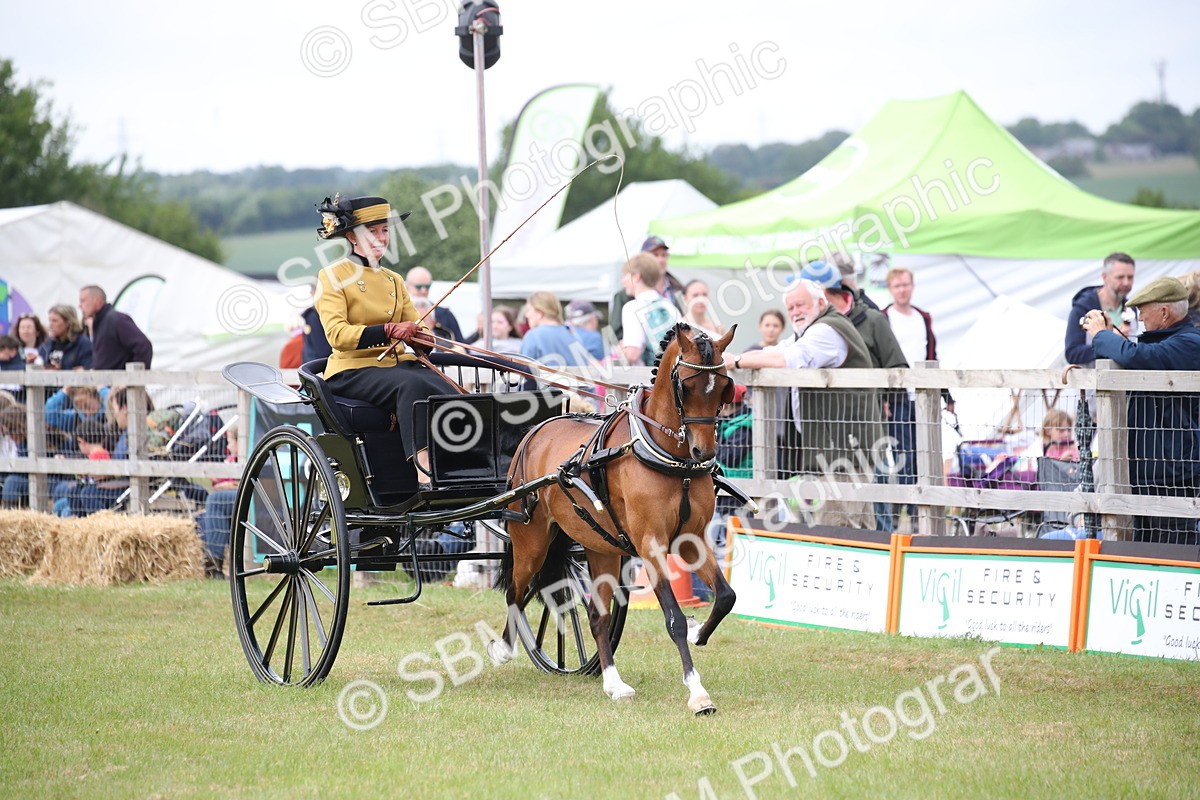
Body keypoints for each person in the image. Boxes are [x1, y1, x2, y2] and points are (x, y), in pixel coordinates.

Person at [313, 195, 449, 484]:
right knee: (412, 384)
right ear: (352, 237)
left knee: (443, 384)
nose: (380, 238)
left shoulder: (394, 280)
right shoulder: (333, 276)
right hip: (351, 370)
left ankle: (463, 460)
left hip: (395, 366)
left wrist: (422, 338)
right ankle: (424, 470)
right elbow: (337, 335)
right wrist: (387, 331)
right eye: (371, 232)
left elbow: (417, 326)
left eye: (384, 231)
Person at [725, 279, 881, 529]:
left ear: (821, 303)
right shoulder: (809, 331)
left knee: (836, 526)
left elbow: (790, 358)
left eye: (800, 304)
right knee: (860, 527)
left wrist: (738, 360)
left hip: (845, 448)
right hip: (838, 447)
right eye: (790, 308)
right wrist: (731, 359)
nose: (795, 311)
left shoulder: (826, 330)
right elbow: (774, 351)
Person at [1085, 276, 1200, 545]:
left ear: (1164, 311)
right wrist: (1111, 336)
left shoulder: (1190, 342)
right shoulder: (1168, 341)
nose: (1140, 318)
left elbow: (1138, 357)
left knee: (1172, 550)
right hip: (1151, 469)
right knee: (1144, 549)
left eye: (1143, 311)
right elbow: (1133, 354)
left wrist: (1102, 335)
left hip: (1173, 473)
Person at [882, 266, 956, 531]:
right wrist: (884, 397)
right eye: (897, 286)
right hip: (898, 395)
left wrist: (945, 392)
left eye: (906, 285)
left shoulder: (923, 317)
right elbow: (881, 359)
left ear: (912, 286)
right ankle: (899, 510)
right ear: (891, 289)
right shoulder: (884, 318)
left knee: (924, 451)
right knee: (903, 453)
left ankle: (917, 514)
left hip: (924, 396)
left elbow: (932, 353)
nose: (902, 290)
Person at [609, 235, 686, 339]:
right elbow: (616, 333)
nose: (661, 260)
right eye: (655, 255)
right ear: (643, 259)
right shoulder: (624, 295)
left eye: (664, 255)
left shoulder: (678, 290)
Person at [1066, 253, 1135, 367]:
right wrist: (1109, 343)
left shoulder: (1132, 308)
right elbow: (1072, 353)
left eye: (1130, 277)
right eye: (1120, 277)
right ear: (1104, 277)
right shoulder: (1082, 308)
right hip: (1091, 382)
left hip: (1125, 381)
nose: (1126, 283)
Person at [619, 253, 681, 365]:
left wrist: (620, 350)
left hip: (646, 378)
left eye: (626, 275)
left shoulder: (632, 307)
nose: (623, 280)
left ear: (636, 276)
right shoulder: (669, 305)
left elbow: (633, 354)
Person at [196, 425, 240, 578]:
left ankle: (213, 567)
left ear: (240, 443)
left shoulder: (249, 456)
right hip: (235, 498)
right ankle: (213, 566)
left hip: (254, 498)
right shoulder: (230, 460)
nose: (228, 447)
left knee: (215, 501)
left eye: (230, 442)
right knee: (205, 516)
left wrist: (229, 486)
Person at [79, 285, 154, 370]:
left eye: (83, 301)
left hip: (117, 381)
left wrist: (132, 379)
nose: (79, 305)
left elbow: (143, 346)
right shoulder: (99, 323)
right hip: (104, 381)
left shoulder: (116, 320)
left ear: (97, 301)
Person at [520, 291, 588, 368]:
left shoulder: (533, 336)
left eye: (529, 310)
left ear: (539, 313)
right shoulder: (574, 335)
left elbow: (523, 371)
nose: (526, 315)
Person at [405, 266, 463, 343]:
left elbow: (461, 345)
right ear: (407, 286)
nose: (423, 291)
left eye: (427, 287)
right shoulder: (398, 312)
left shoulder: (445, 315)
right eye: (418, 287)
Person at [38, 304, 93, 370]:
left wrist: (62, 370)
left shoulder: (83, 344)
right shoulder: (46, 344)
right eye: (49, 320)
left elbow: (88, 369)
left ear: (68, 323)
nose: (50, 325)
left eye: (55, 321)